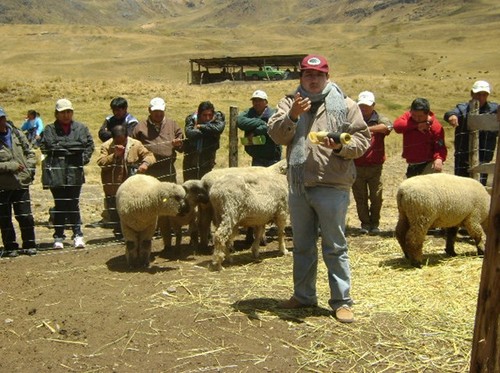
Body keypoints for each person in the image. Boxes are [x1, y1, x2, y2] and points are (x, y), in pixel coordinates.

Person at [268, 54, 371, 323]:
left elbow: (362, 140)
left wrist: (340, 146)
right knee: (302, 244)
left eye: (318, 75)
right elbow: (277, 136)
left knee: (335, 245)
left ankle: (342, 301)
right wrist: (292, 116)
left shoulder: (346, 104)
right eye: (308, 75)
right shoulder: (288, 103)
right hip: (300, 183)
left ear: (327, 76)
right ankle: (303, 295)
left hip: (333, 183)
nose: (313, 80)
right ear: (301, 77)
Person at [40, 98, 95, 249]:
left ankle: (78, 235)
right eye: (63, 112)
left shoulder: (81, 128)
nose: (66, 115)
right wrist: (74, 148)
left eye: (69, 112)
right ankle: (58, 236)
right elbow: (48, 146)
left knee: (73, 204)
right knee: (59, 204)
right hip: (56, 172)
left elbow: (88, 144)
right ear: (56, 114)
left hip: (75, 172)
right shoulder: (49, 129)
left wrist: (82, 158)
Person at [96, 125, 155, 238]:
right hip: (113, 187)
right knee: (115, 213)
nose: (120, 144)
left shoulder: (136, 144)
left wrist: (145, 164)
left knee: (133, 210)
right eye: (117, 141)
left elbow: (149, 155)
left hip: (132, 187)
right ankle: (119, 233)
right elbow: (100, 162)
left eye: (123, 141)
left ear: (127, 137)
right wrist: (114, 155)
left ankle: (134, 232)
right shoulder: (106, 146)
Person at [443, 80, 498, 186]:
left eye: (484, 94)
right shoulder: (463, 108)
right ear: (472, 93)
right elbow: (450, 113)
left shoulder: (494, 109)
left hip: (484, 159)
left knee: (480, 187)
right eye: (478, 94)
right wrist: (452, 116)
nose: (481, 97)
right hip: (463, 158)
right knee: (461, 187)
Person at [352, 91, 392, 235]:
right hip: (356, 165)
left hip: (375, 166)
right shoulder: (353, 119)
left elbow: (387, 127)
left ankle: (375, 223)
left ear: (373, 105)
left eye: (366, 106)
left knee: (376, 196)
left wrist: (365, 129)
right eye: (361, 105)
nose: (363, 108)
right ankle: (365, 223)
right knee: (360, 196)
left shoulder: (380, 119)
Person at [0, 107, 37, 257]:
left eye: (1, 118)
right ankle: (10, 246)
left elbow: (30, 152)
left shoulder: (16, 133)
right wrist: (11, 166)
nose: (0, 121)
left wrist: (30, 169)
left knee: (25, 216)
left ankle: (29, 244)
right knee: (4, 218)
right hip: (2, 186)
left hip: (21, 183)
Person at [132, 97, 183, 183]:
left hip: (167, 170)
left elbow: (182, 147)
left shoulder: (173, 125)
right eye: (155, 111)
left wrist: (178, 144)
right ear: (149, 110)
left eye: (161, 111)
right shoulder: (140, 127)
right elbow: (133, 147)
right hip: (147, 170)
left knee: (167, 195)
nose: (158, 114)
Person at [393, 98, 447, 178]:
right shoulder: (408, 117)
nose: (417, 118)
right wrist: (416, 126)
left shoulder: (435, 126)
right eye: (414, 115)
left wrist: (439, 158)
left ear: (427, 113)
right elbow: (397, 126)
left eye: (420, 116)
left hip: (428, 164)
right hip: (412, 164)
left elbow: (440, 147)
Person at [237, 90, 282, 167]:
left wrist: (254, 131)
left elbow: (269, 127)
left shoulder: (273, 113)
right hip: (256, 157)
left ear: (266, 102)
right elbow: (240, 121)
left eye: (260, 100)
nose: (257, 103)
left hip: (273, 158)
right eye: (254, 100)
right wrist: (260, 122)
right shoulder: (250, 112)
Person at [182, 101, 225, 181]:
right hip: (191, 159)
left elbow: (218, 129)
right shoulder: (191, 118)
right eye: (204, 115)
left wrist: (200, 126)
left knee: (205, 185)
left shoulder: (218, 117)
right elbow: (190, 133)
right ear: (199, 114)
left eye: (210, 115)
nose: (207, 118)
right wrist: (209, 131)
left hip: (207, 159)